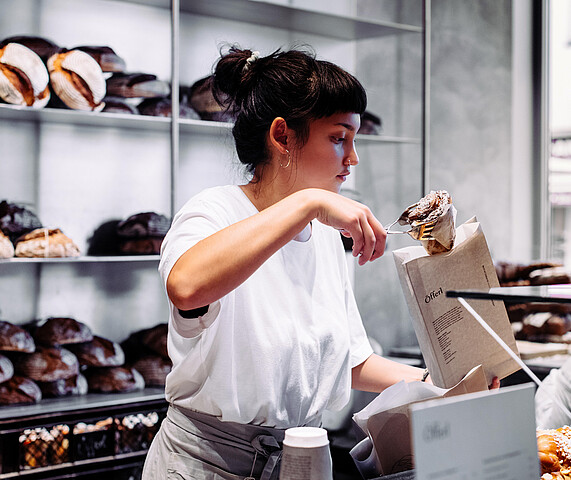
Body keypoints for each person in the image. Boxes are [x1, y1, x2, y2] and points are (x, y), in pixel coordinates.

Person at [142, 45, 436, 480]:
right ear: (282, 136)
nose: (352, 159)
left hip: (300, 461)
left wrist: (435, 384)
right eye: (338, 138)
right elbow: (186, 286)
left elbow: (347, 361)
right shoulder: (213, 212)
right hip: (205, 465)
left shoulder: (320, 237)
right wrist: (310, 203)